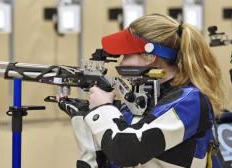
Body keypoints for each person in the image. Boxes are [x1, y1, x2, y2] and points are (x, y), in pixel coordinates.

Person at [57, 13, 224, 168]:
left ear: (149, 57)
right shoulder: (142, 102)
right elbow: (109, 161)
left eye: (126, 54)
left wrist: (102, 110)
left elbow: (126, 151)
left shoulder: (190, 102)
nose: (121, 62)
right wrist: (85, 118)